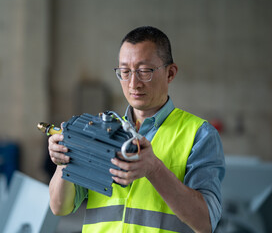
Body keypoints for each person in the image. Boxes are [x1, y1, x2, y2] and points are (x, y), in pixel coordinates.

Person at [48, 26, 225, 233]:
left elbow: (205, 223)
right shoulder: (99, 131)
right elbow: (59, 207)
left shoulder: (199, 135)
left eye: (144, 71)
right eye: (125, 71)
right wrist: (64, 161)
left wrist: (154, 169)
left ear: (170, 73)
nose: (133, 83)